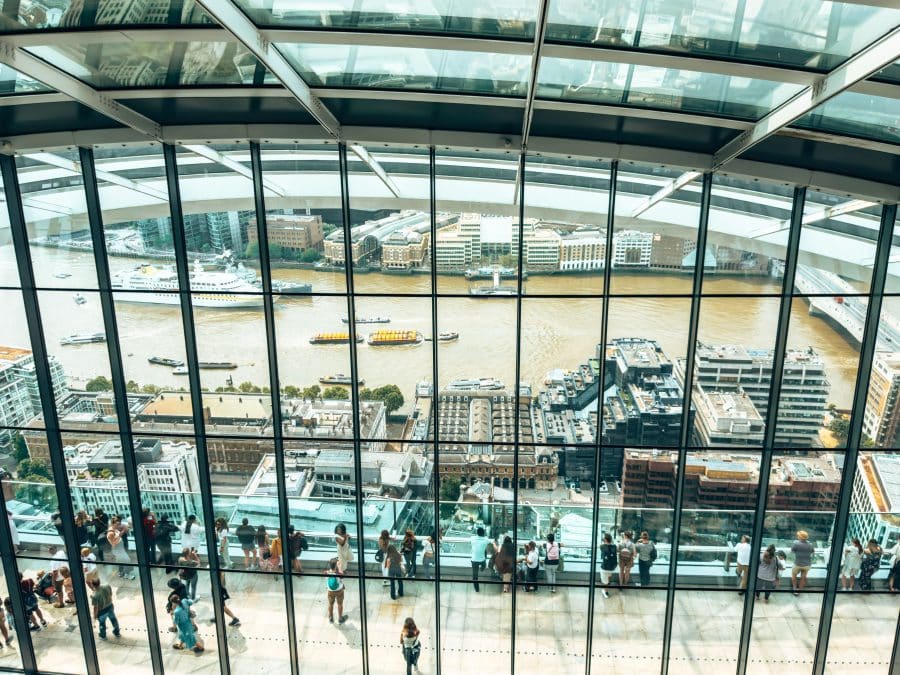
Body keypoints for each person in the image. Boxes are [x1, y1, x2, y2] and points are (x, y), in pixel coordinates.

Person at [790, 530, 815, 595]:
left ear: (801, 537)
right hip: (807, 564)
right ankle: (799, 591)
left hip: (797, 563)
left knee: (793, 576)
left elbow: (792, 551)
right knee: (803, 578)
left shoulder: (796, 544)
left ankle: (795, 589)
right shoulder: (810, 544)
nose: (797, 536)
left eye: (798, 536)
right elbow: (812, 552)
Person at [325, 558, 348, 624]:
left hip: (330, 591)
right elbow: (342, 576)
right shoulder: (338, 573)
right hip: (339, 591)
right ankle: (340, 618)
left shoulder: (327, 572)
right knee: (340, 604)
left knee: (330, 604)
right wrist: (340, 568)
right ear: (336, 566)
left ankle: (331, 618)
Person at [469, 527, 490, 592]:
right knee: (484, 563)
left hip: (474, 560)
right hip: (482, 560)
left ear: (477, 533)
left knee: (475, 576)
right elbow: (488, 542)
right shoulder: (486, 540)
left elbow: (471, 540)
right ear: (483, 533)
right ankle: (482, 568)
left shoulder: (472, 538)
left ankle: (477, 589)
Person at [599, 533, 617, 598]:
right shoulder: (614, 546)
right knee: (609, 576)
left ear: (605, 540)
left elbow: (602, 546)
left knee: (605, 581)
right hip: (612, 567)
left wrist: (605, 542)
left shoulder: (602, 546)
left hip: (605, 567)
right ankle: (608, 584)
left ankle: (605, 592)